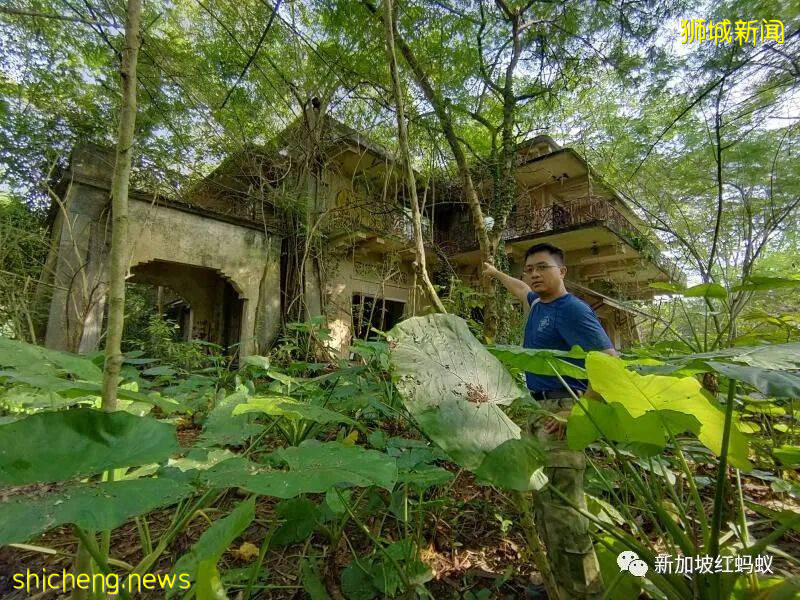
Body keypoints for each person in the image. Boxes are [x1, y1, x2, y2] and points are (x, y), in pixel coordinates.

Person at [483, 242, 616, 600]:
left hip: (563, 414)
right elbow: (521, 290)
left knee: (566, 514)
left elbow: (610, 361)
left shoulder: (573, 310)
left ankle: (584, 593)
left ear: (562, 272)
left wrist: (578, 410)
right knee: (545, 506)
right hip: (540, 413)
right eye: (530, 269)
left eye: (543, 267)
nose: (535, 275)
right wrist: (496, 275)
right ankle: (557, 582)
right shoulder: (539, 305)